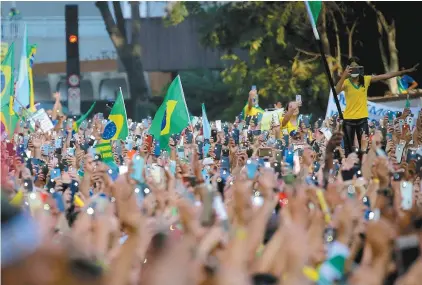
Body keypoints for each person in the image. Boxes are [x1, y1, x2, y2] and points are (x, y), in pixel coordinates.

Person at [335, 57, 418, 155]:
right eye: (351, 67)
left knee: (364, 149)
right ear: (348, 69)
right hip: (348, 120)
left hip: (362, 119)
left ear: (360, 69)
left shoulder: (365, 80)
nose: (354, 69)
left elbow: (385, 76)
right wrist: (344, 75)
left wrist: (406, 71)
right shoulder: (346, 83)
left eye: (356, 67)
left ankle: (363, 168)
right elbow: (336, 91)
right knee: (348, 150)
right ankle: (348, 168)